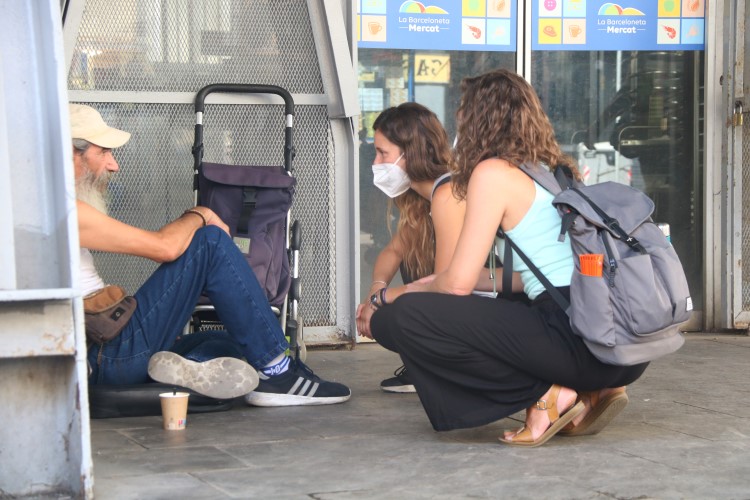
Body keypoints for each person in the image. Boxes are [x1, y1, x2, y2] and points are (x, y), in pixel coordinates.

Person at [369, 69, 647, 447]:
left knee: (397, 320)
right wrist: (427, 284)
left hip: (574, 336)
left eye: (464, 111)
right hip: (618, 344)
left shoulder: (492, 173)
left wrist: (386, 297)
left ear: (480, 118)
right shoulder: (554, 170)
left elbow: (456, 285)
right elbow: (526, 279)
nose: (459, 122)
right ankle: (592, 389)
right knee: (480, 300)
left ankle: (546, 395)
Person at [70, 103, 350, 407]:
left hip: (111, 345)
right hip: (108, 353)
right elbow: (164, 248)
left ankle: (178, 366)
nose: (114, 166)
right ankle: (279, 373)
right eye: (103, 152)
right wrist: (200, 213)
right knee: (211, 241)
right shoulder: (64, 213)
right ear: (71, 154)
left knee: (233, 344)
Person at [355, 103, 466, 393]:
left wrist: (381, 299)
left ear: (411, 153)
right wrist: (374, 292)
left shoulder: (447, 194)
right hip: (456, 304)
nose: (376, 163)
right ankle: (428, 362)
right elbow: (392, 252)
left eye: (383, 154)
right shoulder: (421, 198)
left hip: (480, 305)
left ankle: (439, 365)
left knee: (390, 319)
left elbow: (444, 284)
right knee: (408, 258)